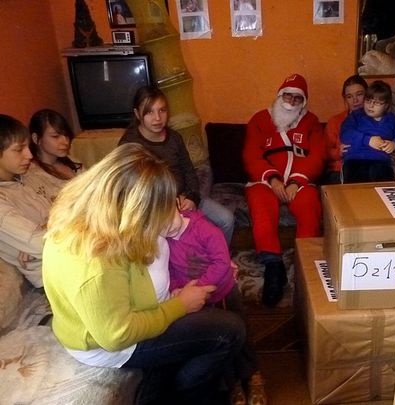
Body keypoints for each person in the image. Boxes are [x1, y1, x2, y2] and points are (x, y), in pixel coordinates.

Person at [42, 143, 245, 405]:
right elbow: (117, 335)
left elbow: (177, 241)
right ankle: (184, 395)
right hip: (118, 345)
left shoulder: (108, 216)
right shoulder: (94, 265)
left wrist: (214, 261)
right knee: (230, 331)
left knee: (225, 302)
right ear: (136, 210)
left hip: (149, 305)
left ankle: (190, 377)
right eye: (161, 209)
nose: (169, 214)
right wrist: (180, 306)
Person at [243, 73, 326, 307]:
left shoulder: (311, 122)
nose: (291, 101)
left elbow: (318, 155)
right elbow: (251, 154)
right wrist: (273, 179)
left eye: (297, 98)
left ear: (304, 101)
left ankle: (305, 264)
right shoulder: (260, 119)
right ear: (279, 96)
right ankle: (273, 266)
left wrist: (296, 181)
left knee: (310, 204)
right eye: (287, 96)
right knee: (260, 204)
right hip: (267, 181)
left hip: (299, 182)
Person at [167, 209, 266, 405]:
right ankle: (233, 383)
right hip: (196, 300)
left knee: (242, 335)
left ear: (177, 204)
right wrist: (177, 289)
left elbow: (222, 262)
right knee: (219, 343)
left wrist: (200, 286)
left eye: (166, 217)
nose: (165, 226)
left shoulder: (206, 230)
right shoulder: (164, 240)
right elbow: (169, 270)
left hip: (224, 293)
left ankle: (253, 375)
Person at [119, 85, 235, 245]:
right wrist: (171, 202)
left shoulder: (174, 137)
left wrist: (192, 197)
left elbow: (189, 171)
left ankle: (217, 257)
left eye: (162, 110)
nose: (157, 118)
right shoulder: (130, 144)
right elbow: (131, 188)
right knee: (179, 239)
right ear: (137, 114)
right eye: (149, 112)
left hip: (185, 197)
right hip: (155, 206)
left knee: (226, 220)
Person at [0, 114, 51, 288]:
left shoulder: (24, 178)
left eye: (28, 147)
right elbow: (42, 245)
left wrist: (46, 229)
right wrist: (41, 239)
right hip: (57, 276)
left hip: (70, 257)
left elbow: (62, 208)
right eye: (19, 149)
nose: (29, 155)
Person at [340, 80, 395, 183]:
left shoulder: (391, 119)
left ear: (386, 105)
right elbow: (346, 133)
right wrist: (368, 140)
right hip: (355, 159)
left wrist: (394, 144)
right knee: (354, 186)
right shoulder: (356, 116)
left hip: (381, 161)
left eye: (377, 103)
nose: (371, 106)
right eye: (368, 101)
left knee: (384, 184)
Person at [27, 109, 83, 203]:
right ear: (36, 138)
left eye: (66, 135)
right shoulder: (32, 175)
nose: (65, 142)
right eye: (55, 136)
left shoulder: (72, 162)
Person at [323, 74, 368, 184]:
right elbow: (325, 151)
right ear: (345, 99)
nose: (355, 100)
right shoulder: (335, 121)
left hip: (368, 169)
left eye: (359, 94)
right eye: (349, 96)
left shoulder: (377, 120)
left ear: (367, 95)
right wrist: (338, 152)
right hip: (339, 171)